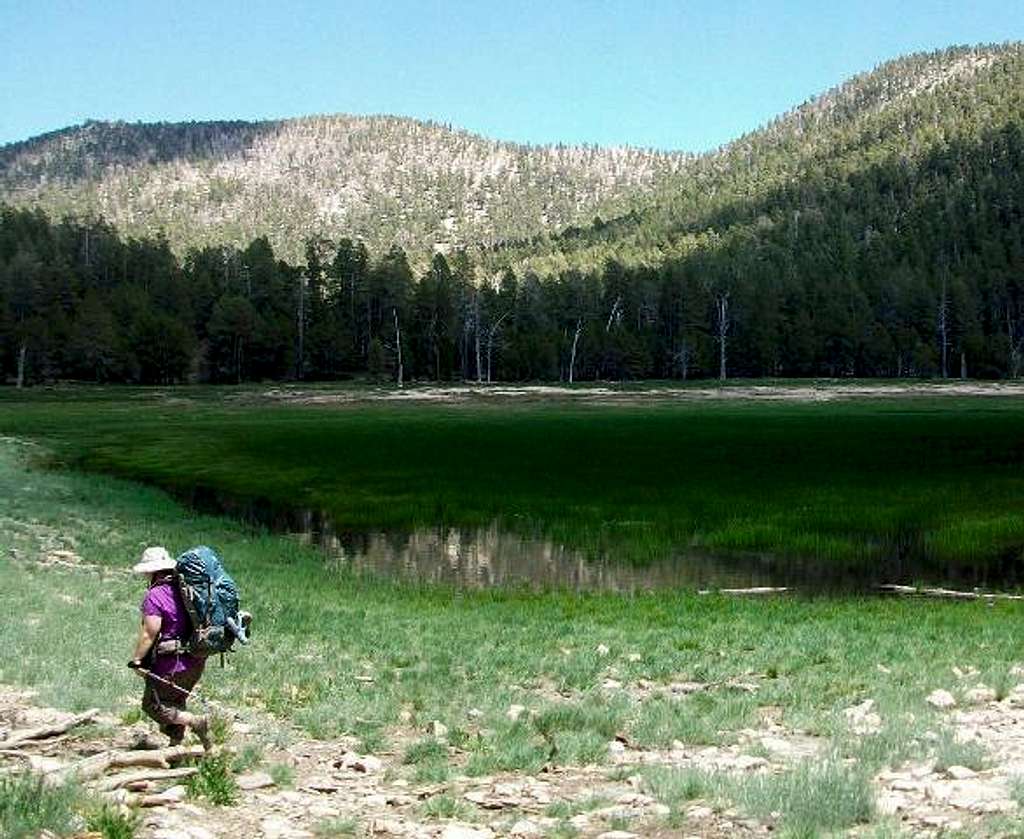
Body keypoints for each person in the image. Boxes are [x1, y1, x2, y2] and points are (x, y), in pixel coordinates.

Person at [129, 546, 211, 749]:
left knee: (154, 705)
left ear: (151, 572)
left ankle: (196, 722)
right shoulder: (187, 592)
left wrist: (137, 660)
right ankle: (176, 748)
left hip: (171, 662)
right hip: (196, 659)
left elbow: (150, 631)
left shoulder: (155, 595)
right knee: (176, 701)